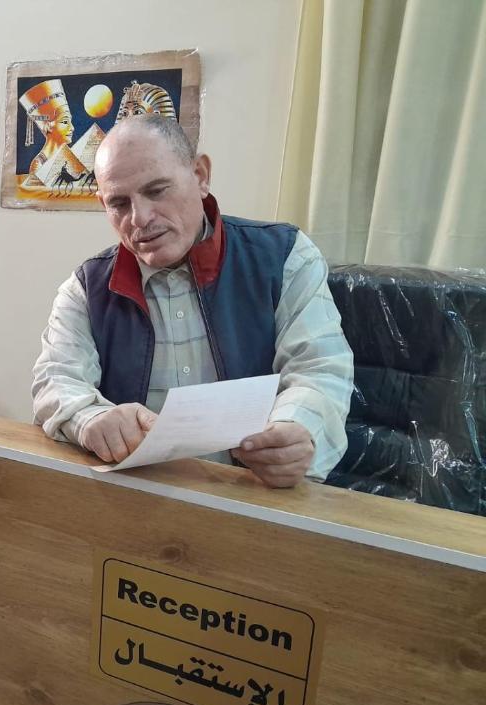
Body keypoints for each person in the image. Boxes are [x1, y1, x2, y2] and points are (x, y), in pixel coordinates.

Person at [32, 114, 353, 488]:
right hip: (135, 495)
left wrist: (296, 428)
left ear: (200, 175)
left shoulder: (284, 256)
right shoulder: (87, 287)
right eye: (119, 203)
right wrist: (89, 418)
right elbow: (54, 380)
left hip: (254, 496)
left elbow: (319, 368)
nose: (141, 218)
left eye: (157, 190)